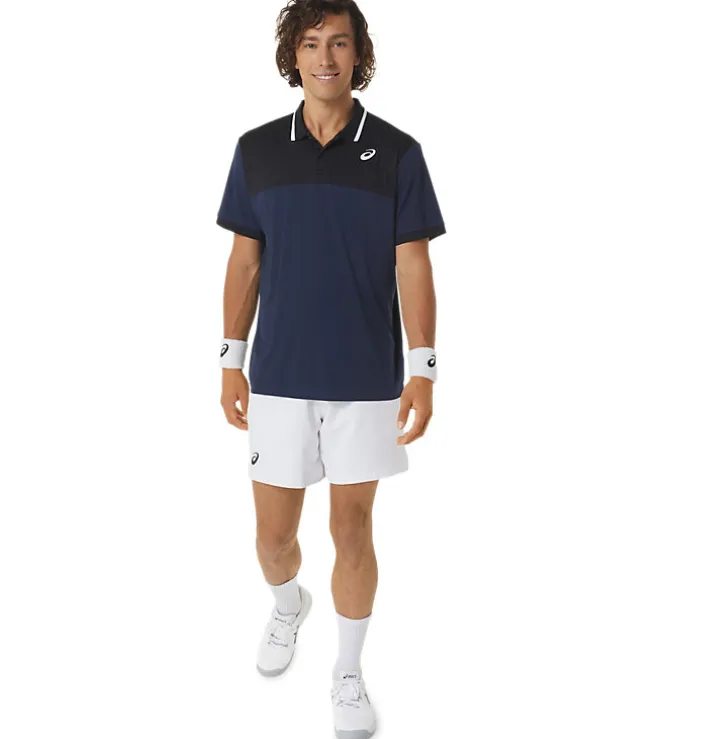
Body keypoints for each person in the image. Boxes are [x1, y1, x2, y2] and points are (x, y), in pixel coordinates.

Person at [216, 1, 444, 736]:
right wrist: (230, 358)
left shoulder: (399, 153)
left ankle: (348, 671)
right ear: (294, 55)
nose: (325, 58)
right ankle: (289, 605)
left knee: (353, 528)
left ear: (358, 55)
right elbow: (244, 261)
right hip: (279, 377)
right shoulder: (257, 150)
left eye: (339, 43)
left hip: (365, 381)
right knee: (272, 540)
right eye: (312, 44)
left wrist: (423, 367)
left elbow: (414, 263)